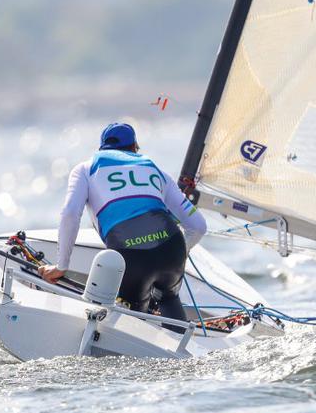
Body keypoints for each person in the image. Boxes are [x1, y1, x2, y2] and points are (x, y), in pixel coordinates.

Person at [38, 122, 207, 325]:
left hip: (129, 254)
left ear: (102, 148)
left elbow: (70, 214)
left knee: (135, 315)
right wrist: (177, 252)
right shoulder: (154, 168)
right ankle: (182, 349)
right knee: (168, 297)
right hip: (172, 247)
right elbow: (198, 226)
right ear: (135, 147)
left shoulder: (86, 169)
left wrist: (61, 266)